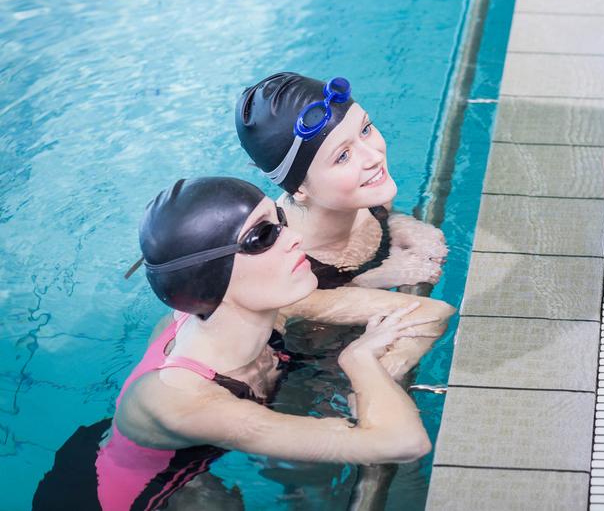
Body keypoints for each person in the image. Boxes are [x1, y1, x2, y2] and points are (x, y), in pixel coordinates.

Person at [34, 177, 436, 511]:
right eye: (263, 236)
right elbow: (403, 442)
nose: (295, 238)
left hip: (166, 458)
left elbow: (432, 313)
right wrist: (360, 360)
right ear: (211, 279)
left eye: (280, 220)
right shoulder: (184, 402)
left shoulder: (261, 309)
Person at [237, 72, 453, 375]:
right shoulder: (276, 255)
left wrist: (402, 224)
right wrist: (371, 278)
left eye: (365, 129)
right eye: (342, 156)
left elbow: (387, 215)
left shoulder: (370, 195)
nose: (373, 156)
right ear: (298, 188)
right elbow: (283, 317)